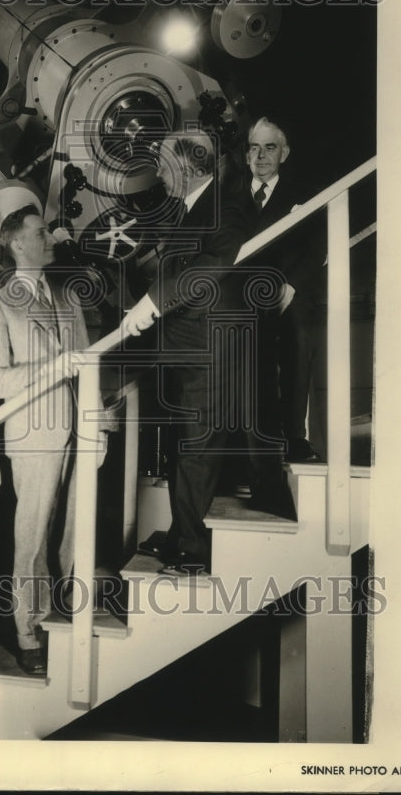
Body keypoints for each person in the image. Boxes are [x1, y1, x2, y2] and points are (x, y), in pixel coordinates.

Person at [122, 131, 255, 575]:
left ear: (187, 166)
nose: (157, 171)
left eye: (162, 161)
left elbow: (212, 266)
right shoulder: (189, 209)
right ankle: (183, 533)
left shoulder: (226, 205)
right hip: (188, 348)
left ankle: (194, 550)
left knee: (198, 448)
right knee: (187, 445)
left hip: (210, 347)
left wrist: (153, 302)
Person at [0, 206, 101, 675]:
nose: (49, 237)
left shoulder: (67, 297)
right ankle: (27, 630)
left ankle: (67, 612)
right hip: (32, 433)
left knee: (74, 531)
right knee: (31, 537)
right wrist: (49, 370)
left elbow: (89, 366)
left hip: (77, 431)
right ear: (16, 244)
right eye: (39, 232)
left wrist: (98, 429)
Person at [244, 117, 323, 463]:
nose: (261, 156)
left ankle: (293, 436)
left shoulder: (303, 194)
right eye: (254, 147)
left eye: (270, 147)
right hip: (241, 292)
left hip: (287, 289)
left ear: (284, 153)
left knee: (299, 333)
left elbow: (316, 247)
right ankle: (240, 442)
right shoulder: (230, 194)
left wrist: (290, 286)